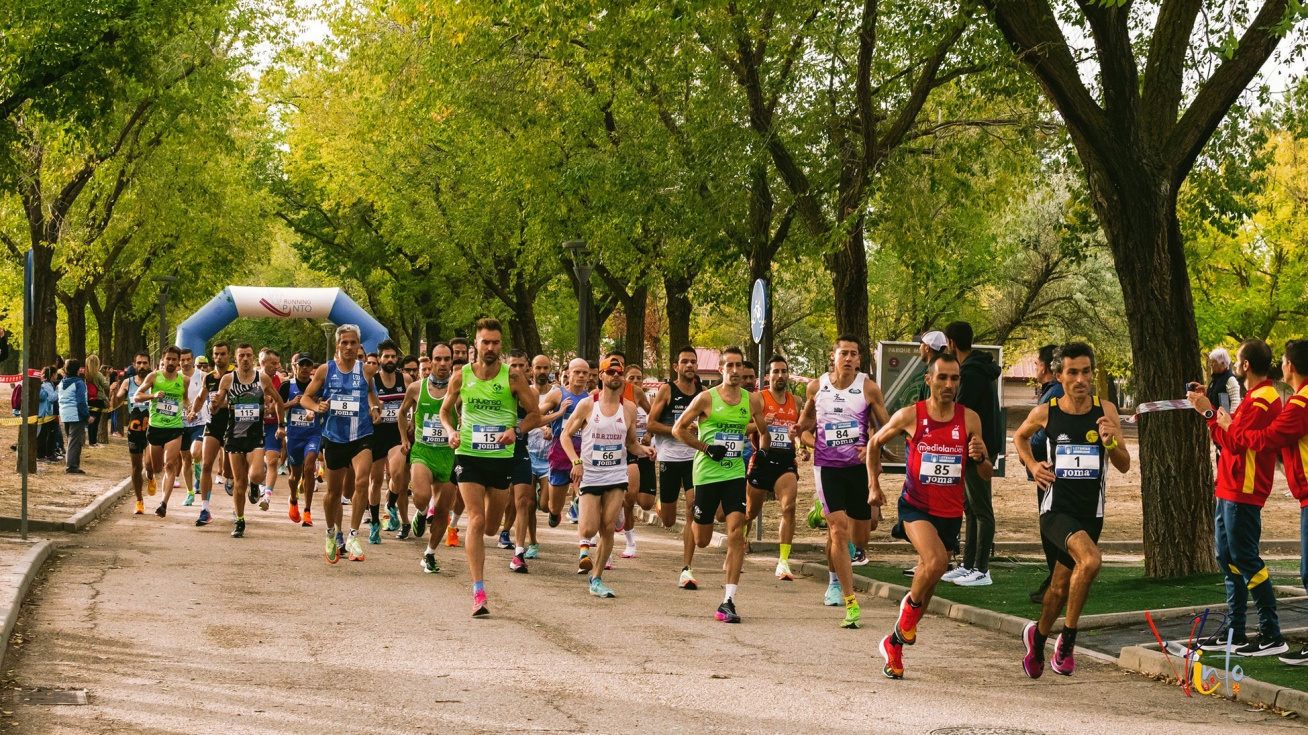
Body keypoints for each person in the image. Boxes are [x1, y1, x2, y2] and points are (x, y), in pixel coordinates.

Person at [869, 353, 992, 679]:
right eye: (942, 378)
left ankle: (894, 642)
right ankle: (905, 623)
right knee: (936, 562)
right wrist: (873, 486)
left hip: (950, 512)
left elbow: (986, 472)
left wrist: (980, 458)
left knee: (930, 576)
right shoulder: (911, 415)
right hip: (916, 506)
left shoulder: (970, 420)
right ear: (929, 381)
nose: (949, 384)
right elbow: (873, 444)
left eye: (954, 379)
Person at [1012, 342, 1130, 677]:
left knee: (1060, 586)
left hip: (1091, 513)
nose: (1080, 379)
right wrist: (1033, 466)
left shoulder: (1105, 410)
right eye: (1073, 372)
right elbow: (1020, 438)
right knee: (1091, 560)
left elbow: (1123, 465)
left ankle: (1037, 638)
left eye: (1086, 371)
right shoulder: (1047, 411)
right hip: (1056, 509)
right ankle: (1068, 640)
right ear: (1060, 375)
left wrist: (1110, 442)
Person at [1187, 339, 1287, 657]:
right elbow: (1225, 433)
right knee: (1227, 559)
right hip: (1229, 487)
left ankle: (1272, 633)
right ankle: (1237, 631)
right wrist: (1211, 413)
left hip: (1244, 489)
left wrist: (1209, 414)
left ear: (1244, 365)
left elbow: (1234, 441)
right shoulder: (1251, 397)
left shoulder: (1263, 399)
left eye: (1237, 359)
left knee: (1245, 559)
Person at [439, 318, 540, 616]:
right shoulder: (462, 376)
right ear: (476, 345)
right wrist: (450, 432)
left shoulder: (513, 378)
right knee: (477, 520)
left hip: (501, 458)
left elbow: (534, 414)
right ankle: (478, 591)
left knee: (492, 528)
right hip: (469, 454)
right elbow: (445, 411)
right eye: (486, 342)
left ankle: (485, 561)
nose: (491, 347)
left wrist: (517, 432)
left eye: (496, 343)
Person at [792, 334, 889, 627]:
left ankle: (843, 560)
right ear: (833, 357)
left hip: (859, 470)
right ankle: (849, 601)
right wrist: (808, 441)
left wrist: (871, 446)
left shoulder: (869, 389)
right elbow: (805, 427)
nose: (848, 358)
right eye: (843, 353)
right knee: (837, 530)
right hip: (828, 469)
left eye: (854, 354)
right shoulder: (815, 387)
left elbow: (886, 427)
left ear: (859, 360)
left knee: (860, 536)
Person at [1222, 339, 1308, 664]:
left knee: (1303, 570)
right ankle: (1244, 630)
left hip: (1248, 491)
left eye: (1285, 360)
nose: (1281, 364)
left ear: (1291, 366)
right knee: (1233, 555)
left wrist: (1227, 426)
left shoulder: (1295, 404)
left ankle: (1270, 632)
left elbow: (1265, 440)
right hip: (1241, 490)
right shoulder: (1292, 400)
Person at [673, 346, 767, 623]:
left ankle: (728, 600)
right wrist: (705, 447)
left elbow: (764, 432)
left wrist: (762, 451)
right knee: (702, 540)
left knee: (736, 531)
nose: (736, 371)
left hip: (734, 474)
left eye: (739, 366)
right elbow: (678, 429)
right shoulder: (705, 399)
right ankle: (696, 518)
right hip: (706, 475)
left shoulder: (752, 401)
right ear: (721, 369)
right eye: (730, 366)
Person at [561, 352, 655, 598]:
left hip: (616, 474)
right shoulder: (588, 404)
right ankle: (582, 536)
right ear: (601, 375)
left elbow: (631, 443)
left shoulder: (630, 409)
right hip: (591, 473)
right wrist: (576, 462)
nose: (615, 376)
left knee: (608, 528)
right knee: (590, 528)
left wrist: (645, 450)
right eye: (610, 372)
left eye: (619, 373)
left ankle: (597, 578)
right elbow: (565, 436)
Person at [300, 325, 383, 563]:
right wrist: (317, 407)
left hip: (362, 435)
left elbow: (370, 395)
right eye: (344, 343)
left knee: (361, 480)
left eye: (353, 343)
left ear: (359, 345)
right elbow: (306, 397)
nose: (348, 347)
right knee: (333, 493)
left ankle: (354, 534)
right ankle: (330, 532)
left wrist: (375, 408)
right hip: (334, 437)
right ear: (338, 345)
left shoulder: (366, 371)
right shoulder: (326, 370)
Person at [943, 320, 1001, 587]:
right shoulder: (975, 368)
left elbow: (959, 409)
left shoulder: (972, 373)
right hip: (973, 448)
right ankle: (968, 564)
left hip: (980, 450)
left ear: (952, 343)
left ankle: (982, 569)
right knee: (970, 507)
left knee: (981, 509)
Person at [206, 344, 285, 537]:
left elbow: (279, 401)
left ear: (254, 359)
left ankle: (256, 485)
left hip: (255, 435)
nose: (245, 359)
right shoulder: (227, 379)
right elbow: (214, 410)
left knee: (257, 474)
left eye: (249, 355)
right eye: (242, 356)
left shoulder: (262, 379)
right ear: (236, 359)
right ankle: (240, 521)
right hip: (234, 436)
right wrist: (214, 405)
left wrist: (281, 425)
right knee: (239, 483)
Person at [398, 342, 460, 574]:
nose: (443, 364)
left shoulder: (461, 391)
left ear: (452, 361)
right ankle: (422, 512)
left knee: (444, 510)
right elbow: (402, 412)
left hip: (448, 454)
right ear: (430, 361)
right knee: (422, 496)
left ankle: (430, 554)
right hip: (423, 450)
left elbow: (466, 417)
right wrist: (405, 438)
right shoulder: (416, 388)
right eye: (438, 359)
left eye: (447, 359)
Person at [647, 345, 704, 589]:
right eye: (685, 362)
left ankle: (687, 568)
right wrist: (676, 429)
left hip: (694, 458)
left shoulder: (703, 393)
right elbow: (650, 423)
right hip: (669, 458)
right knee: (669, 521)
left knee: (692, 507)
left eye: (693, 362)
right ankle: (661, 506)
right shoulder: (667, 390)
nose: (689, 366)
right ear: (676, 366)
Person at [747, 355, 801, 580]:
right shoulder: (758, 398)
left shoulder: (796, 401)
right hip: (762, 460)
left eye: (784, 371)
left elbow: (800, 431)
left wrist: (802, 444)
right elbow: (743, 426)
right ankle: (736, 550)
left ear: (788, 375)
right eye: (776, 372)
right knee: (749, 513)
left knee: (788, 507)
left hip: (786, 462)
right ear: (768, 376)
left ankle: (783, 562)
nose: (780, 375)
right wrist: (761, 423)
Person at [134, 346, 190, 517]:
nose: (171, 362)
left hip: (175, 428)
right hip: (156, 427)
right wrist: (153, 395)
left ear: (178, 361)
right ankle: (150, 476)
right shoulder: (154, 377)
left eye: (174, 359)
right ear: (163, 360)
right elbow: (137, 396)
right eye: (168, 359)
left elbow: (185, 399)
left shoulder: (184, 380)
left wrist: (192, 409)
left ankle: (163, 504)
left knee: (170, 465)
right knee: (154, 467)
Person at [1027, 344, 1063, 603]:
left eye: (1037, 363)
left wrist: (1028, 455)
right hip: (1047, 471)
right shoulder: (1051, 393)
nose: (1035, 368)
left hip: (1051, 472)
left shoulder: (1054, 394)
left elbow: (1041, 437)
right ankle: (1055, 578)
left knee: (1051, 528)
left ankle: (1058, 580)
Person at [501, 349, 541, 572]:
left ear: (527, 368)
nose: (515, 370)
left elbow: (535, 417)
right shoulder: (497, 387)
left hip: (519, 449)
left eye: (520, 366)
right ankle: (500, 530)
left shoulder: (531, 394)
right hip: (495, 450)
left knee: (524, 499)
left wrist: (517, 429)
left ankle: (519, 553)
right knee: (498, 507)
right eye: (512, 365)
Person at [540, 358, 591, 529]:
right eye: (577, 372)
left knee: (586, 495)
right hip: (560, 453)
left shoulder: (591, 399)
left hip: (583, 453)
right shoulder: (558, 394)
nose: (581, 376)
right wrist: (558, 413)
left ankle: (580, 508)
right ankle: (556, 513)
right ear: (568, 373)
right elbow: (536, 417)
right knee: (553, 507)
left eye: (585, 373)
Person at [367, 340, 408, 545]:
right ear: (380, 359)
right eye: (386, 357)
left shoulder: (405, 379)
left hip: (396, 434)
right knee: (374, 481)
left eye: (393, 356)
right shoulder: (372, 381)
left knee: (398, 474)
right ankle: (374, 523)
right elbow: (368, 403)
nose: (390, 360)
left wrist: (412, 423)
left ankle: (390, 504)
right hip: (376, 435)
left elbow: (415, 404)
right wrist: (374, 410)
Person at [191, 342, 233, 527]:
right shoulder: (209, 377)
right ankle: (204, 509)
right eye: (216, 354)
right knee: (207, 464)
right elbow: (201, 397)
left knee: (230, 471)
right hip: (213, 424)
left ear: (229, 355)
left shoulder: (236, 376)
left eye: (222, 354)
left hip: (233, 425)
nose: (219, 358)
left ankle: (235, 503)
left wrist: (223, 403)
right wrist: (193, 411)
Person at [281, 354, 322, 526]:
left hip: (312, 434)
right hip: (294, 436)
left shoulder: (318, 386)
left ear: (312, 368)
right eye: (301, 365)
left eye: (308, 365)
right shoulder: (286, 386)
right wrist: (291, 403)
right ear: (295, 367)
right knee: (294, 477)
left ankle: (307, 511)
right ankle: (293, 500)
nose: (305, 368)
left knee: (310, 465)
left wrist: (318, 406)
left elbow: (325, 404)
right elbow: (274, 407)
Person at [621, 363, 657, 558]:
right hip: (628, 452)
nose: (635, 382)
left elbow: (652, 415)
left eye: (639, 378)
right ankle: (630, 541)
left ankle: (621, 504)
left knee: (645, 503)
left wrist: (649, 434)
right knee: (630, 498)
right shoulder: (618, 398)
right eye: (631, 378)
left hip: (646, 453)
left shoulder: (641, 396)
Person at [115, 353, 156, 514]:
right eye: (139, 363)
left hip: (152, 427)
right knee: (136, 466)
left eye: (145, 363)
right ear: (134, 364)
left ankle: (151, 476)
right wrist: (114, 392)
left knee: (150, 464)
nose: (142, 366)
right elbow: (116, 401)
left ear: (149, 364)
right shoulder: (128, 382)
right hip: (134, 429)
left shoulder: (155, 381)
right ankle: (139, 501)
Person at [257, 349, 285, 511]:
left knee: (273, 460)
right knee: (256, 464)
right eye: (273, 363)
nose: (277, 366)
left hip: (273, 425)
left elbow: (283, 403)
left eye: (277, 363)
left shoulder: (280, 381)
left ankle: (267, 497)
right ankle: (257, 484)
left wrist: (280, 422)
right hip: (255, 425)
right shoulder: (253, 379)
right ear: (263, 363)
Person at [179, 348, 207, 506]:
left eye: (188, 359)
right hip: (181, 423)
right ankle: (190, 493)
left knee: (196, 452)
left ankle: (198, 466)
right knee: (185, 459)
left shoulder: (202, 376)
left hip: (199, 421)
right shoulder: (176, 377)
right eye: (182, 360)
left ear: (193, 359)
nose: (185, 363)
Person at [1207, 347, 1242, 459]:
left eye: (1214, 362)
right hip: (1216, 423)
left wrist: (1229, 423)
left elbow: (1235, 402)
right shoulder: (1215, 379)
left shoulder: (1230, 379)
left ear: (1222, 364)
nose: (1211, 365)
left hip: (1225, 426)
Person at [58, 358, 89, 474]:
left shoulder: (62, 382)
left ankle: (72, 464)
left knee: (71, 440)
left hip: (65, 414)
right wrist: (86, 416)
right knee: (75, 441)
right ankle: (72, 466)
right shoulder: (79, 383)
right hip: (76, 415)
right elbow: (81, 402)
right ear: (78, 370)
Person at [84, 354, 109, 446]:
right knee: (95, 421)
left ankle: (91, 440)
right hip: (98, 399)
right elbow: (106, 385)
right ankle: (93, 442)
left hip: (88, 399)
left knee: (90, 421)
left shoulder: (86, 374)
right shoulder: (98, 374)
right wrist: (107, 377)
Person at [37, 367, 60, 461]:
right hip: (45, 413)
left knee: (46, 433)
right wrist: (59, 391)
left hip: (48, 413)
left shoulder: (49, 384)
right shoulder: (47, 385)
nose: (57, 375)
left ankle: (47, 453)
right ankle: (42, 454)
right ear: (52, 374)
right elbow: (51, 398)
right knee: (43, 434)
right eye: (55, 373)